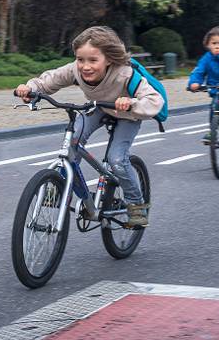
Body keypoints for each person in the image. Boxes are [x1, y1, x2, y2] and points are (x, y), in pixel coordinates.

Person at [15, 26, 163, 226]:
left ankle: (136, 205)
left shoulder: (125, 74)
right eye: (80, 59)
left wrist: (131, 102)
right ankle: (63, 189)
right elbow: (50, 80)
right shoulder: (75, 70)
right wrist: (29, 88)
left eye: (93, 60)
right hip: (100, 107)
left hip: (128, 113)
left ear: (108, 59)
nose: (85, 66)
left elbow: (154, 100)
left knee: (117, 159)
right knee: (72, 142)